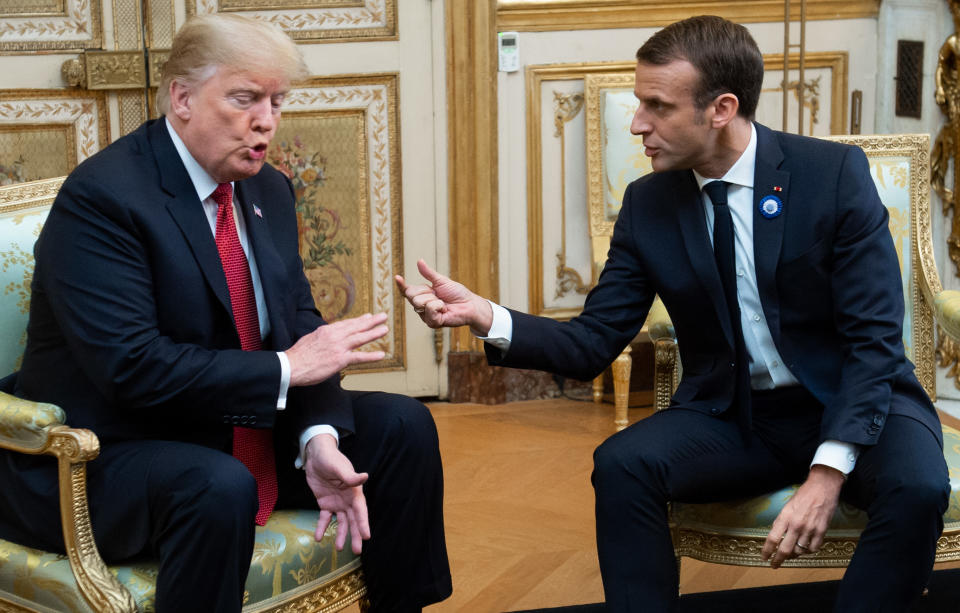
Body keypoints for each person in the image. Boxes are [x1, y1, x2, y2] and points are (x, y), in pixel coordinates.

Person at [397, 15, 948, 612]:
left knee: (916, 486)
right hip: (740, 414)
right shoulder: (649, 204)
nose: (637, 124)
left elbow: (873, 343)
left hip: (857, 399)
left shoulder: (831, 177)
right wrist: (486, 316)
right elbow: (593, 341)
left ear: (721, 108)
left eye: (657, 106)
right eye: (640, 103)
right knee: (623, 464)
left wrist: (827, 474)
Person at [0, 13, 450, 613]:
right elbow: (133, 367)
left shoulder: (267, 189)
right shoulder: (104, 199)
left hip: (229, 425)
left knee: (402, 428)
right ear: (182, 98)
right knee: (217, 484)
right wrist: (287, 371)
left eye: (276, 101)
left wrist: (317, 437)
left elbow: (295, 324)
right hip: (107, 453)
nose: (265, 121)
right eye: (244, 99)